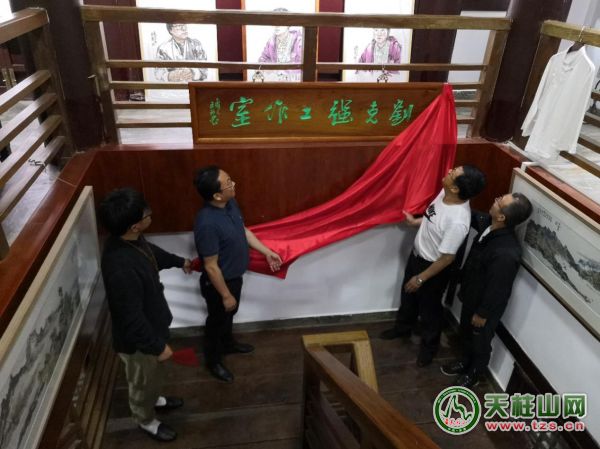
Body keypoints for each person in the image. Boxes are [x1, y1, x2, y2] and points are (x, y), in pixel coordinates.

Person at [98, 188, 192, 442]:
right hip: (138, 344)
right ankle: (146, 419)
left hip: (153, 328)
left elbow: (152, 254)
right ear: (135, 225)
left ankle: (155, 399)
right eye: (146, 213)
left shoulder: (130, 239)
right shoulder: (119, 267)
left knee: (153, 376)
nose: (150, 213)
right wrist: (156, 346)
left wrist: (179, 261)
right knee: (141, 382)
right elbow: (130, 318)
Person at [380, 166, 486, 368]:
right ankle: (402, 328)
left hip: (433, 269)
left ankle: (429, 349)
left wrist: (421, 278)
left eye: (453, 173)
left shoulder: (458, 222)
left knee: (430, 311)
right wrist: (415, 222)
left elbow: (447, 258)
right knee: (408, 297)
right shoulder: (446, 194)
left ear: (455, 188)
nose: (449, 170)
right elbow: (432, 217)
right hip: (417, 257)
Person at [193, 166, 282, 383]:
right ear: (216, 195)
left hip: (235, 278)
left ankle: (228, 344)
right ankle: (213, 360)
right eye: (228, 183)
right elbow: (211, 267)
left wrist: (267, 252)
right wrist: (225, 295)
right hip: (218, 285)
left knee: (229, 315)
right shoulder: (206, 224)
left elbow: (244, 231)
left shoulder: (230, 203)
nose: (234, 184)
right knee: (216, 322)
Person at [441, 193, 533, 388]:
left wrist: (483, 313)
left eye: (500, 201)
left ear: (502, 216)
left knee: (480, 341)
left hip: (484, 307)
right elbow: (471, 215)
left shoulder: (506, 252)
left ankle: (475, 373)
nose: (496, 199)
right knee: (466, 332)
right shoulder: (489, 225)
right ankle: (465, 361)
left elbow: (498, 288)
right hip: (471, 294)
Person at [257, 8, 303, 81]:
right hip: (276, 81)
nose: (277, 25)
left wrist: (282, 72)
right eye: (274, 22)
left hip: (295, 82)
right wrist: (267, 68)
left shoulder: (298, 40)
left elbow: (302, 65)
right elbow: (263, 59)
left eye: (281, 22)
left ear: (288, 24)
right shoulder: (271, 41)